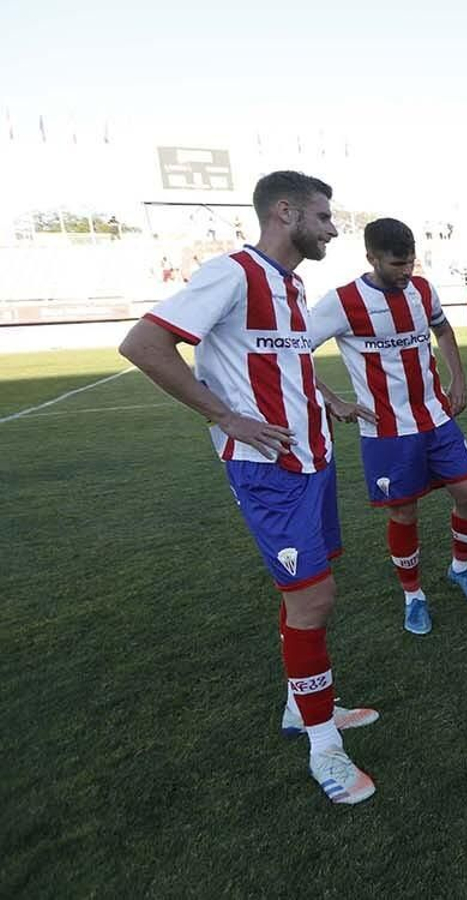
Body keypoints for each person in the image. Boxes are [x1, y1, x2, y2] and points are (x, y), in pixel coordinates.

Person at [118, 170, 379, 805]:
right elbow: (144, 343)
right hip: (268, 472)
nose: (332, 228)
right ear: (285, 212)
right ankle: (325, 749)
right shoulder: (233, 272)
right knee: (314, 601)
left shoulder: (290, 285)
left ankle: (303, 707)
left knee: (304, 596)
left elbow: (280, 363)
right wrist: (224, 416)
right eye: (323, 217)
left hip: (312, 460)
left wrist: (329, 397)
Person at [309, 218, 467, 636]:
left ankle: (460, 569)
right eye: (395, 265)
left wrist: (457, 377)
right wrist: (333, 400)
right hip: (386, 429)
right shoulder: (342, 301)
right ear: (371, 258)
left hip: (436, 417)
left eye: (410, 263)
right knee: (404, 512)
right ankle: (413, 596)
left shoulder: (422, 289)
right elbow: (296, 352)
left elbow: (442, 328)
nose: (405, 272)